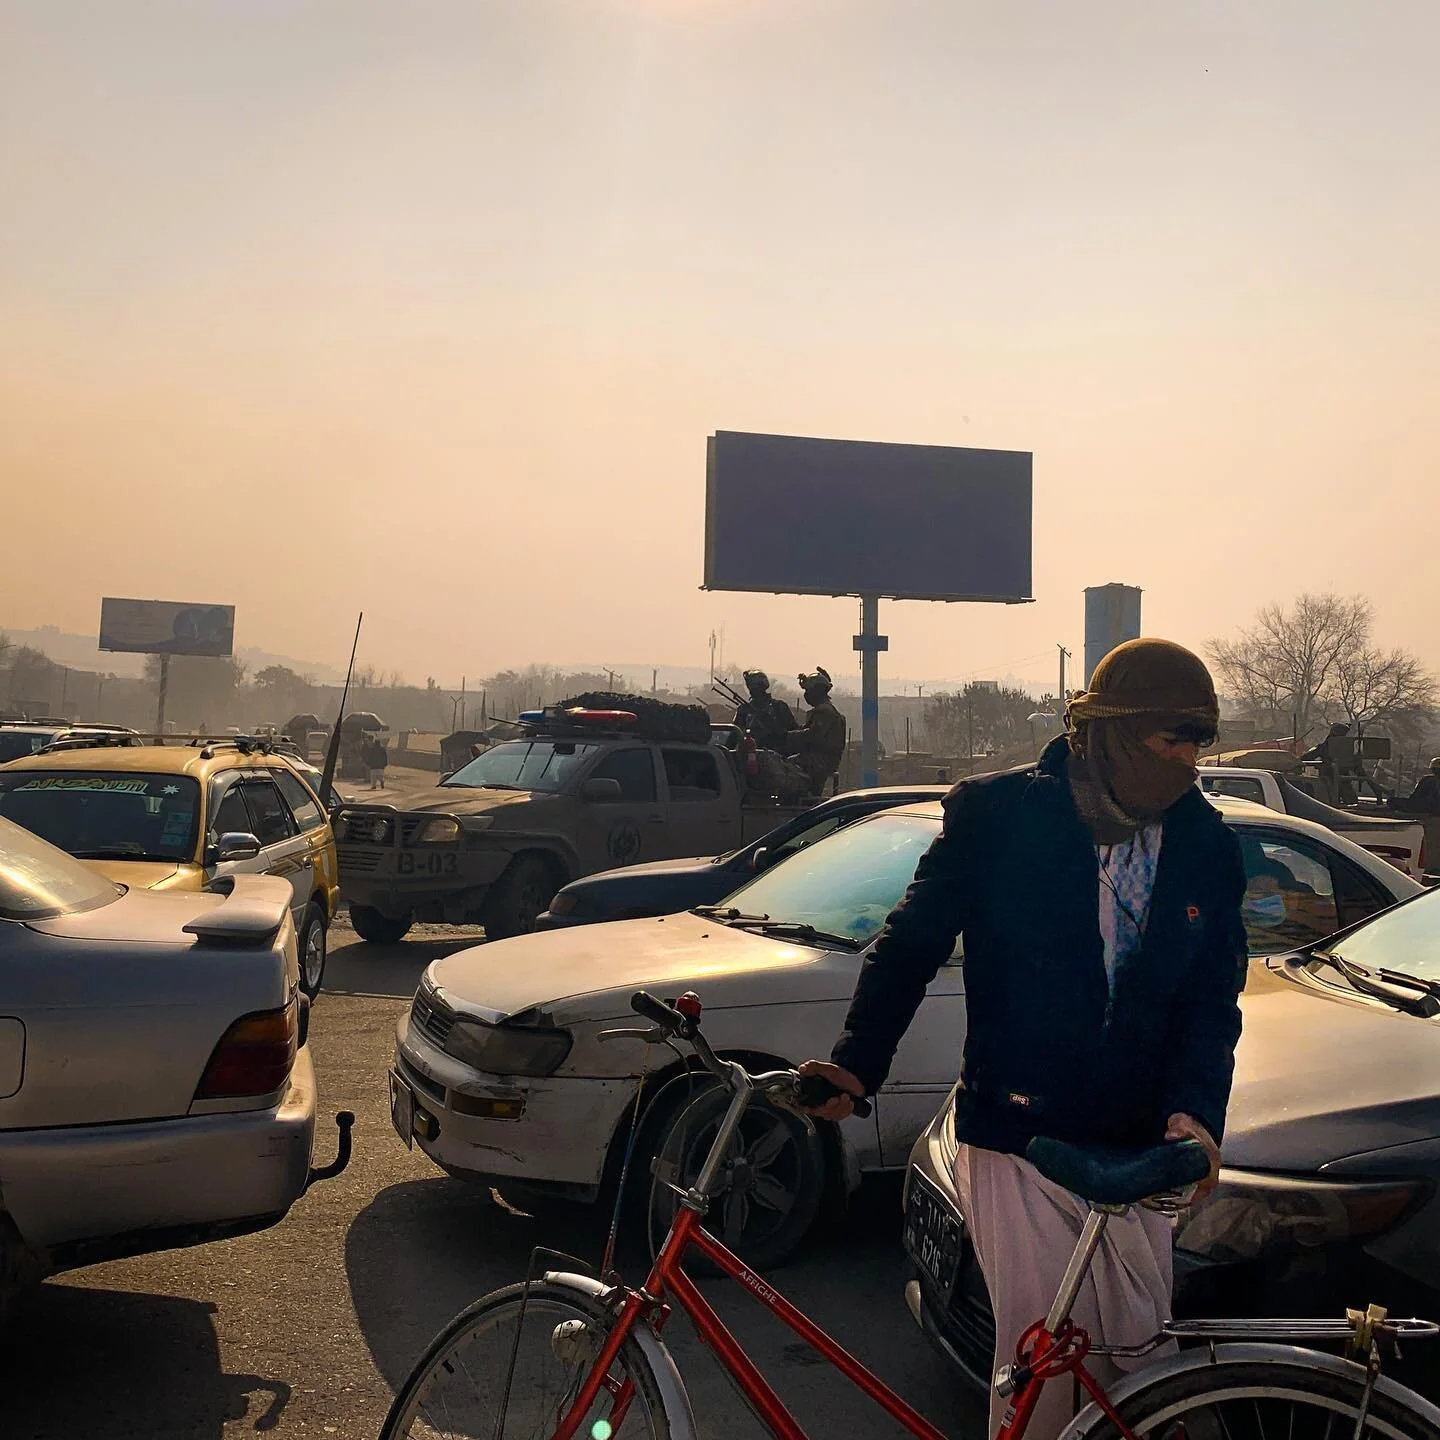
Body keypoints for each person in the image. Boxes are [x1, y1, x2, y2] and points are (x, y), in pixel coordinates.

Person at [798, 638, 1247, 1440]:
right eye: (1173, 737)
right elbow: (911, 943)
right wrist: (858, 1065)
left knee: (1139, 1367)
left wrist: (1196, 1113)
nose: (1188, 760)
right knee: (1042, 1369)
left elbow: (1212, 996)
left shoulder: (1205, 843)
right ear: (1112, 730)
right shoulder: (1000, 815)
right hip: (1019, 1136)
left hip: (1137, 1141)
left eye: (1200, 742)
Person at [784, 667, 847, 796]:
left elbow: (813, 735)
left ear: (817, 692)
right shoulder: (824, 710)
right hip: (823, 758)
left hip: (821, 759)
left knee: (784, 765)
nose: (807, 695)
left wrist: (787, 735)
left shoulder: (824, 711)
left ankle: (799, 795)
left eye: (809, 691)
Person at [732, 671, 796, 754]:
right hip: (750, 753)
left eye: (756, 687)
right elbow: (735, 734)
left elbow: (793, 732)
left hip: (777, 753)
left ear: (763, 687)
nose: (753, 690)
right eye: (751, 687)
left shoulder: (779, 707)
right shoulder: (744, 710)